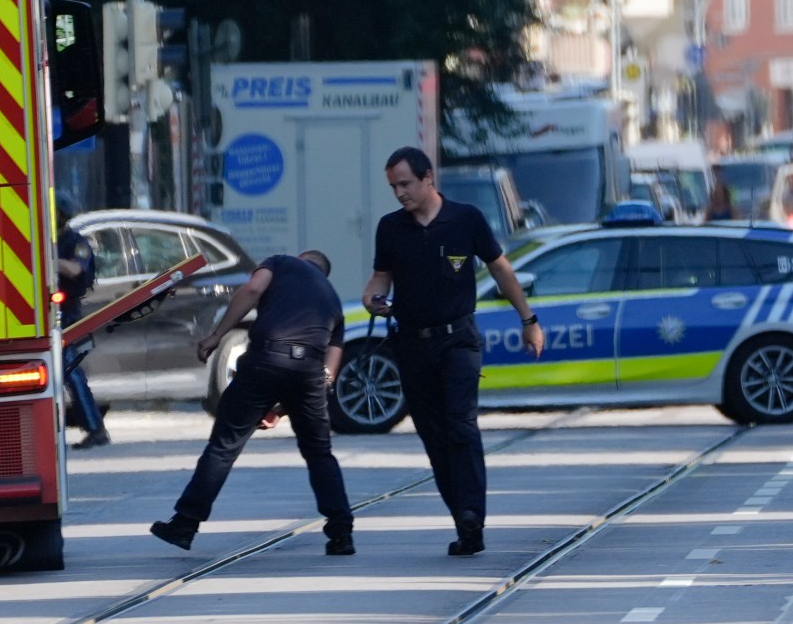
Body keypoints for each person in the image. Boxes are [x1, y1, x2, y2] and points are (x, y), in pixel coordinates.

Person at [361, 146, 544, 556]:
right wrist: (373, 298)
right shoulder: (390, 228)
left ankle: (472, 515)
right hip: (411, 343)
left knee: (461, 427)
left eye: (405, 184)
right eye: (393, 187)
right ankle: (463, 521)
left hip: (458, 340)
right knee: (434, 436)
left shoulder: (466, 219)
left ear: (428, 179)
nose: (400, 194)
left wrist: (528, 320)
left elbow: (500, 268)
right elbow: (379, 279)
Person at [151, 250, 356, 556]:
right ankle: (341, 533)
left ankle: (185, 524)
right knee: (319, 453)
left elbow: (252, 289)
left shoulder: (282, 262)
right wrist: (284, 407)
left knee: (224, 445)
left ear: (302, 258)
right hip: (309, 371)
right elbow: (328, 373)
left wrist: (217, 336)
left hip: (266, 359)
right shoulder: (333, 299)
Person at [55, 204, 108, 449]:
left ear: (62, 215)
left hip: (67, 315)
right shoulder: (50, 240)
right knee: (67, 372)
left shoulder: (76, 242)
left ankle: (95, 429)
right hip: (52, 315)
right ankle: (92, 427)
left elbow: (76, 269)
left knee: (71, 371)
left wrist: (49, 260)